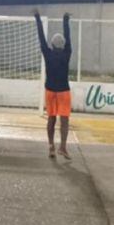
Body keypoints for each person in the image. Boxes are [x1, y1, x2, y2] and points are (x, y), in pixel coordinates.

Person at [35, 11, 73, 159]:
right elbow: (68, 36)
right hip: (64, 91)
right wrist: (65, 20)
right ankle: (63, 146)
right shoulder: (67, 53)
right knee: (64, 120)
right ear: (63, 45)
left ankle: (51, 146)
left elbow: (41, 37)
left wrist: (37, 18)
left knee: (51, 118)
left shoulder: (47, 53)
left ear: (51, 44)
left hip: (50, 90)